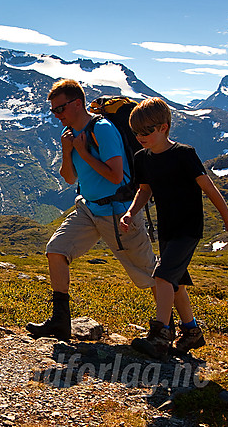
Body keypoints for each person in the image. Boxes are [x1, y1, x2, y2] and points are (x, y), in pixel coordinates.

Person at [26, 79, 156, 341]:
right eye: (53, 111)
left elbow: (116, 175)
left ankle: (179, 327)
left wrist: (84, 153)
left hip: (117, 212)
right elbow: (69, 178)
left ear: (77, 104)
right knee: (56, 250)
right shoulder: (71, 136)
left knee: (149, 274)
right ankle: (60, 322)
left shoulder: (103, 129)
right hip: (88, 208)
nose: (57, 116)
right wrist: (67, 151)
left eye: (60, 109)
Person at [119, 97, 228, 359]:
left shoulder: (184, 155)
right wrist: (131, 212)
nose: (140, 137)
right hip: (166, 228)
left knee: (163, 276)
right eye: (136, 133)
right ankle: (192, 332)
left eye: (146, 132)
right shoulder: (142, 158)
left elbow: (209, 189)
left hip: (188, 228)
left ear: (164, 127)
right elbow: (144, 190)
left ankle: (160, 336)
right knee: (175, 284)